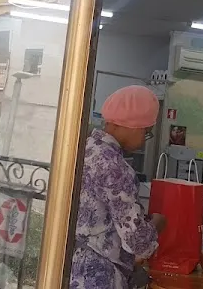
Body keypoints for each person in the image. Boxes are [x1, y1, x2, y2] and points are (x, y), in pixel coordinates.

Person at [71, 86, 168, 289]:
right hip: (99, 274)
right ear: (133, 126)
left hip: (71, 266)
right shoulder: (115, 167)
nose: (144, 140)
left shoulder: (84, 149)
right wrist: (156, 225)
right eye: (146, 132)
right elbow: (136, 241)